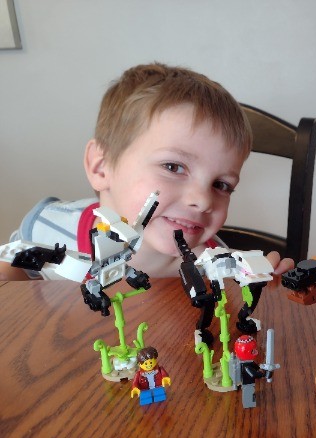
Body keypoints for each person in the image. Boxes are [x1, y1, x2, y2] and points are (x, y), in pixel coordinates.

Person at [0, 62, 294, 280]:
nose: (203, 200)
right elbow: (13, 270)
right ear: (101, 166)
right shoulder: (47, 228)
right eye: (173, 167)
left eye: (221, 185)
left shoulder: (214, 267)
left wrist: (261, 282)